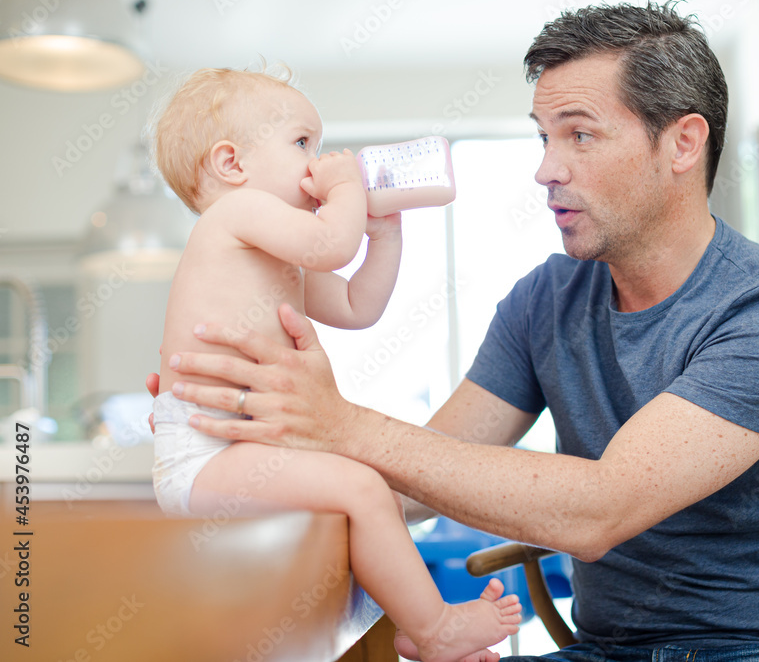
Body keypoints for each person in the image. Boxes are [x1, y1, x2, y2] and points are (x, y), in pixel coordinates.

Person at [149, 3, 759, 662]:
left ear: (682, 143)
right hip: (609, 649)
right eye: (543, 137)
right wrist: (245, 427)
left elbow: (601, 509)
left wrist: (338, 423)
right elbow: (423, 475)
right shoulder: (546, 301)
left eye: (580, 135)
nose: (545, 169)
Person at [150, 66, 521, 662]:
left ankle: (406, 627)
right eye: (302, 144)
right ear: (232, 165)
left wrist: (386, 236)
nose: (318, 163)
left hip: (249, 443)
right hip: (205, 456)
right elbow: (330, 243)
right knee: (360, 486)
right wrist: (348, 190)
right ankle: (432, 630)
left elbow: (357, 305)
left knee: (354, 493)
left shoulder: (279, 252)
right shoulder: (235, 217)